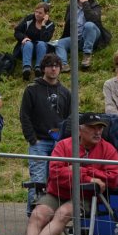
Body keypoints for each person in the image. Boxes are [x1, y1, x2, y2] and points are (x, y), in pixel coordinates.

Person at [16, 113, 118, 235]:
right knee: (38, 214)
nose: (98, 132)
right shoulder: (63, 145)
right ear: (80, 130)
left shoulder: (109, 150)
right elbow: (56, 174)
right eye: (93, 128)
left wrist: (78, 170)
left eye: (100, 128)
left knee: (63, 213)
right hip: (57, 192)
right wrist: (89, 177)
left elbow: (112, 179)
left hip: (85, 196)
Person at [19, 53, 71, 214]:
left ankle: (51, 215)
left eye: (56, 65)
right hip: (39, 143)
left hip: (59, 145)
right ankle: (33, 214)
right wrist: (32, 139)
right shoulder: (32, 89)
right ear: (43, 69)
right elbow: (24, 116)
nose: (53, 69)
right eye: (50, 65)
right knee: (38, 181)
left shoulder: (65, 92)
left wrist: (65, 140)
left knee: (57, 181)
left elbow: (69, 119)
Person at [52, 0, 111, 71]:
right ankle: (63, 64)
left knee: (89, 25)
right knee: (60, 43)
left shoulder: (95, 6)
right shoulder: (71, 7)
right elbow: (67, 22)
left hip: (93, 38)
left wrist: (85, 4)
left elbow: (93, 19)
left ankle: (87, 55)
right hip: (76, 38)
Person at [15, 3, 55, 80]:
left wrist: (43, 25)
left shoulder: (50, 24)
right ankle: (26, 68)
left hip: (41, 49)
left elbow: (45, 39)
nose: (37, 14)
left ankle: (38, 68)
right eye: (36, 12)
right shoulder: (29, 19)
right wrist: (24, 38)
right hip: (27, 48)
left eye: (40, 13)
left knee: (41, 43)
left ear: (46, 14)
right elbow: (17, 31)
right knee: (28, 43)